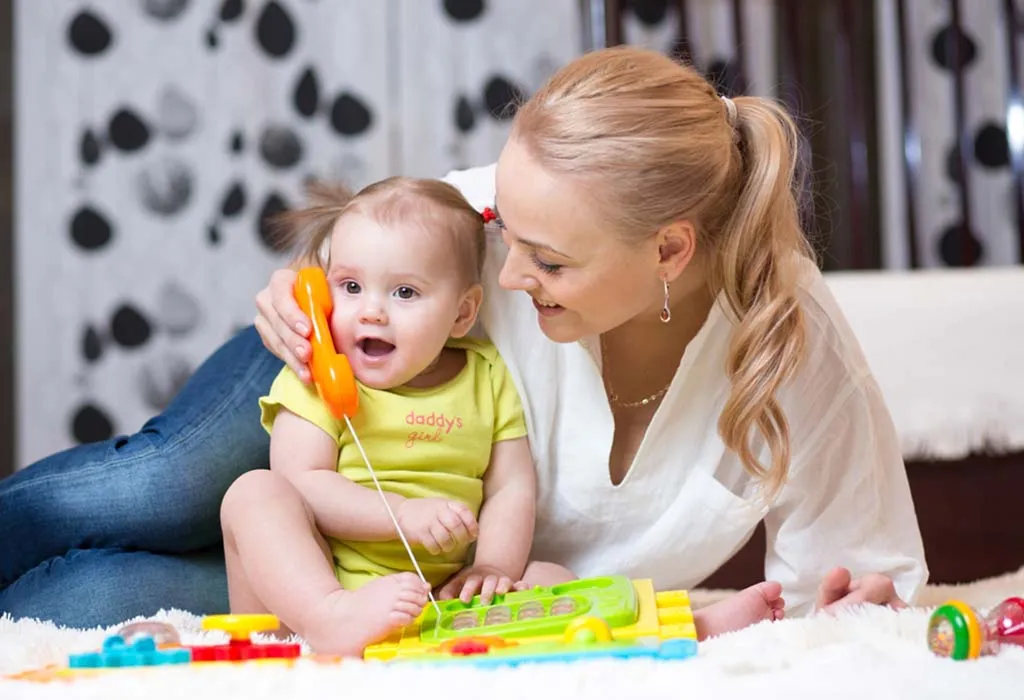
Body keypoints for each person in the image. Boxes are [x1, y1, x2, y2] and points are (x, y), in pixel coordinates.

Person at [0, 45, 924, 629]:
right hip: (343, 376)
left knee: (87, 598)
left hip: (418, 579)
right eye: (503, 232)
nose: (507, 276)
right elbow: (375, 250)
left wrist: (852, 611)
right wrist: (309, 283)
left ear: (670, 251)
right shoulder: (503, 213)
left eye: (548, 262)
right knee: (163, 486)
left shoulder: (786, 338)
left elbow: (861, 575)